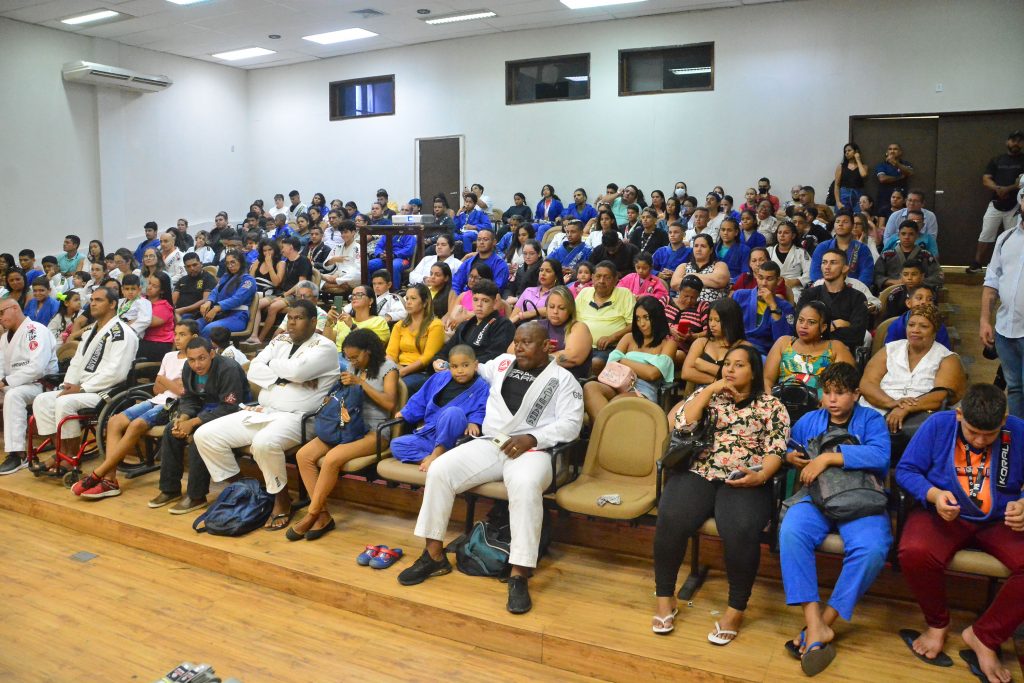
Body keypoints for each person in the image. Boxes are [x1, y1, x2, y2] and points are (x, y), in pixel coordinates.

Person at [397, 322, 584, 615]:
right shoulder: (501, 363)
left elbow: (571, 425)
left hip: (534, 450)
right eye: (517, 342)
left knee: (524, 486)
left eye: (528, 343)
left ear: (547, 346)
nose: (519, 347)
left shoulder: (564, 381)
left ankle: (519, 574)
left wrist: (532, 437)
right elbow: (473, 365)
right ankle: (434, 555)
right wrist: (446, 360)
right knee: (440, 470)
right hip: (491, 443)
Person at [653, 345, 788, 642]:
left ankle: (736, 608)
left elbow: (776, 449)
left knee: (740, 529)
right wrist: (710, 389)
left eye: (739, 365)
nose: (730, 369)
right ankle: (666, 598)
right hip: (700, 470)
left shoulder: (771, 406)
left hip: (744, 476)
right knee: (671, 516)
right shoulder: (709, 397)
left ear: (753, 371)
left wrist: (762, 475)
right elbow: (683, 423)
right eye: (727, 364)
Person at [896, 384, 1024, 683]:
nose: (980, 441)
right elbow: (906, 470)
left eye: (989, 435)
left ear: (1003, 420)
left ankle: (985, 637)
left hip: (999, 520)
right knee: (913, 552)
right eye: (972, 432)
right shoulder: (938, 424)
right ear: (958, 415)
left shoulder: (1018, 430)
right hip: (945, 515)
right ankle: (937, 624)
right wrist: (933, 495)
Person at [779, 362, 891, 676]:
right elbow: (789, 446)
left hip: (858, 498)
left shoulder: (871, 419)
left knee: (872, 549)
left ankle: (821, 625)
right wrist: (791, 457)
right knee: (791, 533)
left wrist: (829, 456)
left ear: (856, 394)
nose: (832, 400)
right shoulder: (810, 420)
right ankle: (816, 625)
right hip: (814, 498)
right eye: (827, 393)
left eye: (840, 393)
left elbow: (881, 456)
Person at [194, 300, 337, 529]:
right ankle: (247, 490)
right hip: (264, 411)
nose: (291, 323)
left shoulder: (325, 346)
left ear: (312, 322)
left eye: (298, 318)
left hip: (298, 418)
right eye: (289, 318)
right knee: (205, 435)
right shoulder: (280, 340)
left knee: (263, 443)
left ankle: (282, 499)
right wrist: (286, 375)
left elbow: (298, 371)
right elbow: (254, 369)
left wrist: (280, 368)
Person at [289, 329, 400, 541]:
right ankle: (322, 515)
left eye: (355, 357)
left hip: (374, 430)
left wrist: (362, 384)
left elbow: (390, 404)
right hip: (346, 425)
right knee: (303, 455)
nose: (352, 362)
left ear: (368, 352)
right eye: (348, 358)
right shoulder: (352, 367)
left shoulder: (388, 368)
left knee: (331, 459)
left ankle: (311, 514)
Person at [70, 321, 198, 499]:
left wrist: (163, 379)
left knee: (136, 425)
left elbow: (181, 392)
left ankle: (98, 474)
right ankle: (110, 479)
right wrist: (168, 382)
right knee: (114, 421)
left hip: (173, 405)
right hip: (156, 399)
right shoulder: (169, 356)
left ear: (194, 337)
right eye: (175, 334)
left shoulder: (194, 360)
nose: (177, 338)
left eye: (182, 334)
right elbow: (156, 388)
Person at [30, 288, 138, 473]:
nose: (92, 303)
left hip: (107, 392)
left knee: (64, 403)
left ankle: (70, 459)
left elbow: (116, 373)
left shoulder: (122, 333)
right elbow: (76, 363)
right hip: (82, 388)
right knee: (42, 400)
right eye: (92, 300)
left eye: (99, 300)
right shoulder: (90, 332)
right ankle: (61, 452)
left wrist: (82, 388)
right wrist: (68, 385)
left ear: (112, 304)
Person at [860, 304, 966, 456]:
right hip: (878, 407)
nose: (915, 330)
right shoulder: (890, 349)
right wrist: (890, 403)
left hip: (921, 415)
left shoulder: (947, 357)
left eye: (923, 326)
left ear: (934, 331)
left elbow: (940, 396)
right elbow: (867, 383)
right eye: (911, 325)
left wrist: (905, 408)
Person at [393, 344, 489, 468]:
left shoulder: (481, 387)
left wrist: (474, 421)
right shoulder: (440, 377)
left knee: (453, 412)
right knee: (397, 444)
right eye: (454, 366)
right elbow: (422, 397)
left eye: (465, 365)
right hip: (431, 435)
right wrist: (407, 411)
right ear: (449, 366)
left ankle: (437, 455)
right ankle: (431, 460)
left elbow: (482, 409)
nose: (460, 370)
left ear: (475, 365)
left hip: (454, 438)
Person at [583, 296, 676, 422]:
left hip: (643, 391)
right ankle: (609, 434)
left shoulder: (668, 343)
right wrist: (643, 368)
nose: (641, 324)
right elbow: (611, 364)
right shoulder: (629, 338)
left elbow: (653, 374)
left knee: (617, 402)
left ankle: (607, 435)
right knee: (590, 387)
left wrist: (623, 360)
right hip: (616, 383)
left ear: (657, 318)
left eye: (646, 318)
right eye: (637, 319)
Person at [0, 298, 59, 475]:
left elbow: (37, 368)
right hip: (13, 384)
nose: (0, 318)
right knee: (12, 392)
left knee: (14, 395)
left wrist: (5, 383)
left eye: (2, 313)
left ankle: (18, 454)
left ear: (15, 308)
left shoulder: (36, 330)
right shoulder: (4, 338)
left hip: (40, 384)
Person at [980, 186, 1024, 418]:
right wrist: (985, 320)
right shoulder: (1005, 238)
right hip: (1005, 330)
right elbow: (992, 281)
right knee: (1015, 388)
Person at [765, 300, 855, 396]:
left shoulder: (836, 347)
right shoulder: (783, 343)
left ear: (823, 327)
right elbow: (767, 380)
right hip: (782, 406)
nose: (803, 326)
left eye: (811, 322)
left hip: (822, 408)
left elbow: (847, 385)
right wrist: (773, 405)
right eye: (801, 320)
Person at [968, 131, 1024, 273]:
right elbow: (986, 179)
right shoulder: (997, 160)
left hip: (1016, 206)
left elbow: (1020, 184)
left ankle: (1011, 267)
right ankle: (977, 264)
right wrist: (998, 188)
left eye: (1019, 140)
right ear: (1007, 142)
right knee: (985, 234)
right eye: (1013, 140)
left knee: (1014, 236)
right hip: (995, 204)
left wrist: (1010, 189)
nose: (1016, 143)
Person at [797, 250, 870, 352]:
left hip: (842, 354)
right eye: (824, 262)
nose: (827, 267)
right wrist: (838, 325)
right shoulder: (808, 295)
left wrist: (817, 330)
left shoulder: (857, 297)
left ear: (845, 268)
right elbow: (797, 329)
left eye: (833, 262)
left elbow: (857, 336)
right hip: (809, 351)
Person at [435, 279, 514, 366]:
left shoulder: (503, 325)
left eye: (485, 300)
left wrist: (460, 364)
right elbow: (444, 352)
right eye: (475, 299)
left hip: (480, 374)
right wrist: (437, 361)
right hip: (454, 370)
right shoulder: (464, 326)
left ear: (494, 302)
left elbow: (495, 356)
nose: (479, 304)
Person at [574, 261, 634, 373]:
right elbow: (572, 319)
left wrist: (612, 337)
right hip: (581, 345)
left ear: (616, 279)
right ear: (592, 278)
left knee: (596, 363)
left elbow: (634, 324)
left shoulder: (625, 294)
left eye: (607, 277)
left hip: (610, 348)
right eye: (598, 276)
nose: (601, 281)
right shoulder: (584, 293)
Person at [386, 283, 445, 394]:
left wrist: (402, 372)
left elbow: (427, 358)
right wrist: (395, 369)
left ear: (425, 302)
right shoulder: (400, 325)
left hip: (422, 372)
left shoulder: (435, 325)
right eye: (407, 298)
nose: (408, 302)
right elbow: (390, 353)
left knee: (398, 386)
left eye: (413, 298)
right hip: (398, 368)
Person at [732, 261, 795, 356]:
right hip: (735, 345)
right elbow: (728, 325)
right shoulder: (740, 295)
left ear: (778, 281)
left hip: (764, 353)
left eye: (769, 279)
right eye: (760, 278)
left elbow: (783, 341)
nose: (764, 283)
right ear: (756, 277)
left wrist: (773, 305)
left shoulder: (786, 307)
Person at [681, 297, 747, 387]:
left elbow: (738, 377)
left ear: (731, 321)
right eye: (710, 319)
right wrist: (716, 381)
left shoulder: (743, 347)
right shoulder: (701, 343)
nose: (712, 324)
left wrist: (705, 365)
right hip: (700, 395)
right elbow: (686, 373)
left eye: (717, 320)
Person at [257, 237, 313, 342]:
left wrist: (284, 295)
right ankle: (253, 335)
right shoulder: (286, 262)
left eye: (283, 247)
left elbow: (301, 284)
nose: (281, 249)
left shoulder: (303, 261)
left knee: (273, 306)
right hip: (282, 293)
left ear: (290, 247)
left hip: (296, 295)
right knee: (258, 303)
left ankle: (262, 338)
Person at [535, 285, 592, 381]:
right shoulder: (536, 325)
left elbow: (573, 357)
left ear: (570, 310)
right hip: (537, 377)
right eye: (551, 307)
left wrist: (536, 355)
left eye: (561, 308)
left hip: (567, 381)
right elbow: (512, 350)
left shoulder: (578, 327)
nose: (555, 311)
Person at [196, 250, 257, 338]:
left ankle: (205, 351)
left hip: (237, 317)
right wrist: (209, 301)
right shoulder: (225, 277)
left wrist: (217, 308)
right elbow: (215, 291)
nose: (230, 266)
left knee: (209, 329)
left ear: (241, 262)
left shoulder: (248, 280)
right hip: (221, 314)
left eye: (233, 262)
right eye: (227, 263)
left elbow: (237, 299)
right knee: (195, 326)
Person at [809, 211, 873, 287]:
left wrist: (854, 289)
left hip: (854, 291)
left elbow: (866, 274)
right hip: (825, 289)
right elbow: (815, 273)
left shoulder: (862, 248)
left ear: (852, 226)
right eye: (837, 222)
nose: (840, 224)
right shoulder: (822, 247)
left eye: (845, 222)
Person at [874, 220, 942, 291]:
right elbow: (876, 276)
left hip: (920, 293)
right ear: (898, 235)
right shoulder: (887, 255)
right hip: (892, 293)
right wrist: (894, 282)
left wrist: (919, 281)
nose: (906, 237)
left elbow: (938, 276)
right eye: (903, 234)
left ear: (917, 236)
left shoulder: (926, 256)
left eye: (911, 234)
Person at [884, 285, 952, 350]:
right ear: (908, 303)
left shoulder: (939, 326)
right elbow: (889, 353)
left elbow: (945, 353)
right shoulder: (896, 326)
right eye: (919, 298)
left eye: (930, 299)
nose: (924, 302)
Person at [671, 234, 731, 304]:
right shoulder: (683, 266)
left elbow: (719, 281)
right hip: (685, 306)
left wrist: (690, 276)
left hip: (711, 309)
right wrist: (708, 282)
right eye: (696, 246)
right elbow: (675, 284)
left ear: (711, 250)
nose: (699, 249)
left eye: (703, 246)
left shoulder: (720, 265)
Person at [664, 275, 709, 365]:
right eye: (686, 296)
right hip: (660, 343)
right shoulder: (666, 300)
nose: (689, 300)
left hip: (682, 350)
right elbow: (653, 320)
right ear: (679, 290)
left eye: (693, 297)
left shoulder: (702, 306)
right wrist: (669, 330)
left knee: (677, 355)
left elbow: (708, 331)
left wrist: (692, 336)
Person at [452, 228, 508, 293]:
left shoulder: (500, 265)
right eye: (479, 239)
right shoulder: (468, 262)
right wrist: (458, 299)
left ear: (494, 242)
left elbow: (497, 288)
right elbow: (456, 283)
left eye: (485, 239)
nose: (481, 242)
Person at [767, 221, 810, 300]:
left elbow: (809, 272)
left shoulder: (800, 252)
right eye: (779, 232)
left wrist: (796, 281)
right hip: (771, 286)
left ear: (793, 236)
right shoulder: (769, 251)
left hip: (793, 288)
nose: (782, 235)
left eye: (786, 233)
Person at [137, 272, 175, 362]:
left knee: (128, 347)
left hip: (160, 344)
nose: (149, 287)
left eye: (154, 286)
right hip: (146, 342)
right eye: (149, 283)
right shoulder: (143, 301)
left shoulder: (164, 307)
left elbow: (143, 323)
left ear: (162, 290)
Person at [174, 253, 217, 320]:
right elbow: (173, 300)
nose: (192, 268)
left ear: (201, 264)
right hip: (177, 313)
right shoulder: (182, 280)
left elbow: (205, 300)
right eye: (188, 266)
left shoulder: (209, 278)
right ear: (185, 268)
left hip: (196, 315)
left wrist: (182, 310)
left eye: (194, 265)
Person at [874, 142, 914, 215]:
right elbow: (882, 179)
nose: (892, 151)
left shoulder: (906, 164)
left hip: (901, 198)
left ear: (900, 152)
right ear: (887, 152)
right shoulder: (882, 165)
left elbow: (910, 172)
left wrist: (896, 163)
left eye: (895, 149)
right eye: (890, 149)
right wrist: (900, 177)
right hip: (885, 197)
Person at [652, 222, 690, 288]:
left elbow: (692, 272)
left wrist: (675, 274)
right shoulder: (660, 251)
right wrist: (658, 274)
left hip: (680, 286)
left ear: (684, 235)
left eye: (676, 232)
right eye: (670, 232)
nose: (672, 235)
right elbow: (649, 268)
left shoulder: (690, 252)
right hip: (659, 285)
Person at [714, 218, 751, 284]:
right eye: (723, 230)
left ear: (736, 232)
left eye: (729, 230)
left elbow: (745, 273)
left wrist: (731, 282)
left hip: (734, 284)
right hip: (712, 281)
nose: (725, 233)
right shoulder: (713, 248)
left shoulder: (744, 250)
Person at [833, 143, 869, 211]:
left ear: (856, 151)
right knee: (843, 215)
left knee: (858, 216)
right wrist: (838, 202)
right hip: (844, 194)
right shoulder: (841, 166)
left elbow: (863, 175)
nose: (847, 153)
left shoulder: (864, 166)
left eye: (849, 150)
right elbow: (836, 185)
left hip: (858, 194)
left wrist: (858, 159)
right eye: (845, 151)